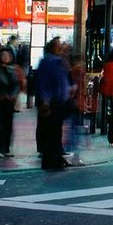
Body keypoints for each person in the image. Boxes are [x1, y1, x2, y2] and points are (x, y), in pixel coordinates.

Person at [32, 39, 71, 170]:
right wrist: (45, 101)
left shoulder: (58, 61)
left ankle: (55, 158)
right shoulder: (49, 62)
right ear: (54, 48)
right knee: (51, 132)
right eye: (59, 46)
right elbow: (44, 83)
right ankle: (51, 160)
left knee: (55, 131)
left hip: (58, 101)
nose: (62, 48)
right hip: (52, 102)